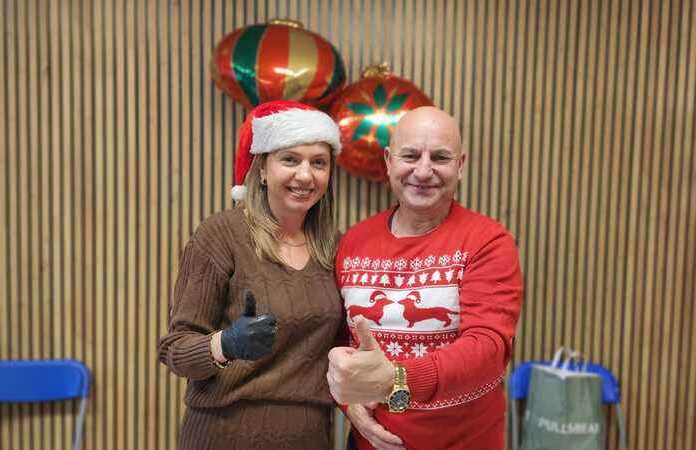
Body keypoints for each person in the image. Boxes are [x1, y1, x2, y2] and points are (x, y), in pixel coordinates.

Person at [327, 106, 523, 450]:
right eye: (411, 155)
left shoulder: (488, 241)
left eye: (440, 157)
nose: (423, 170)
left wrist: (397, 378)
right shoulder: (353, 242)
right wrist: (350, 404)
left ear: (460, 165)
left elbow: (488, 349)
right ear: (388, 161)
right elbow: (339, 345)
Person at [158, 100, 345, 450]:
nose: (305, 175)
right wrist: (225, 344)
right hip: (224, 435)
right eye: (290, 159)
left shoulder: (335, 248)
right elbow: (175, 350)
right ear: (261, 170)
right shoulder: (221, 235)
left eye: (318, 162)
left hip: (309, 437)